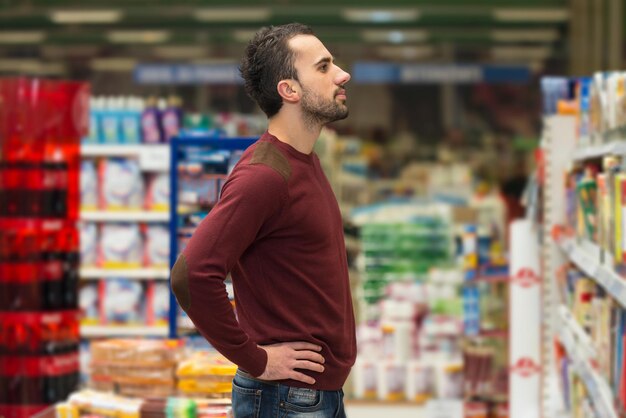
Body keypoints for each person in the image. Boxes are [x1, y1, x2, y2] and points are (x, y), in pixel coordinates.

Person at [170, 23, 355, 417]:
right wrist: (255, 358)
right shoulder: (264, 176)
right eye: (323, 67)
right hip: (285, 398)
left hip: (311, 395)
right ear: (289, 90)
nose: (342, 74)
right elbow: (192, 274)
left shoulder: (303, 162)